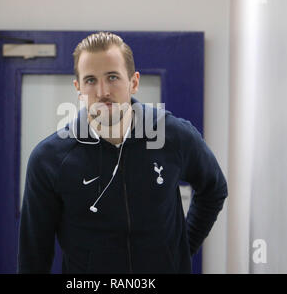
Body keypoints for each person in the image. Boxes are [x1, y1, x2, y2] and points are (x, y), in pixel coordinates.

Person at [18, 31, 228, 274]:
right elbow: (33, 254)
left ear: (133, 82)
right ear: (78, 88)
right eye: (90, 80)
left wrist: (180, 252)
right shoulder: (49, 160)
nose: (102, 90)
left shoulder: (173, 135)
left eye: (112, 77)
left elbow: (214, 188)